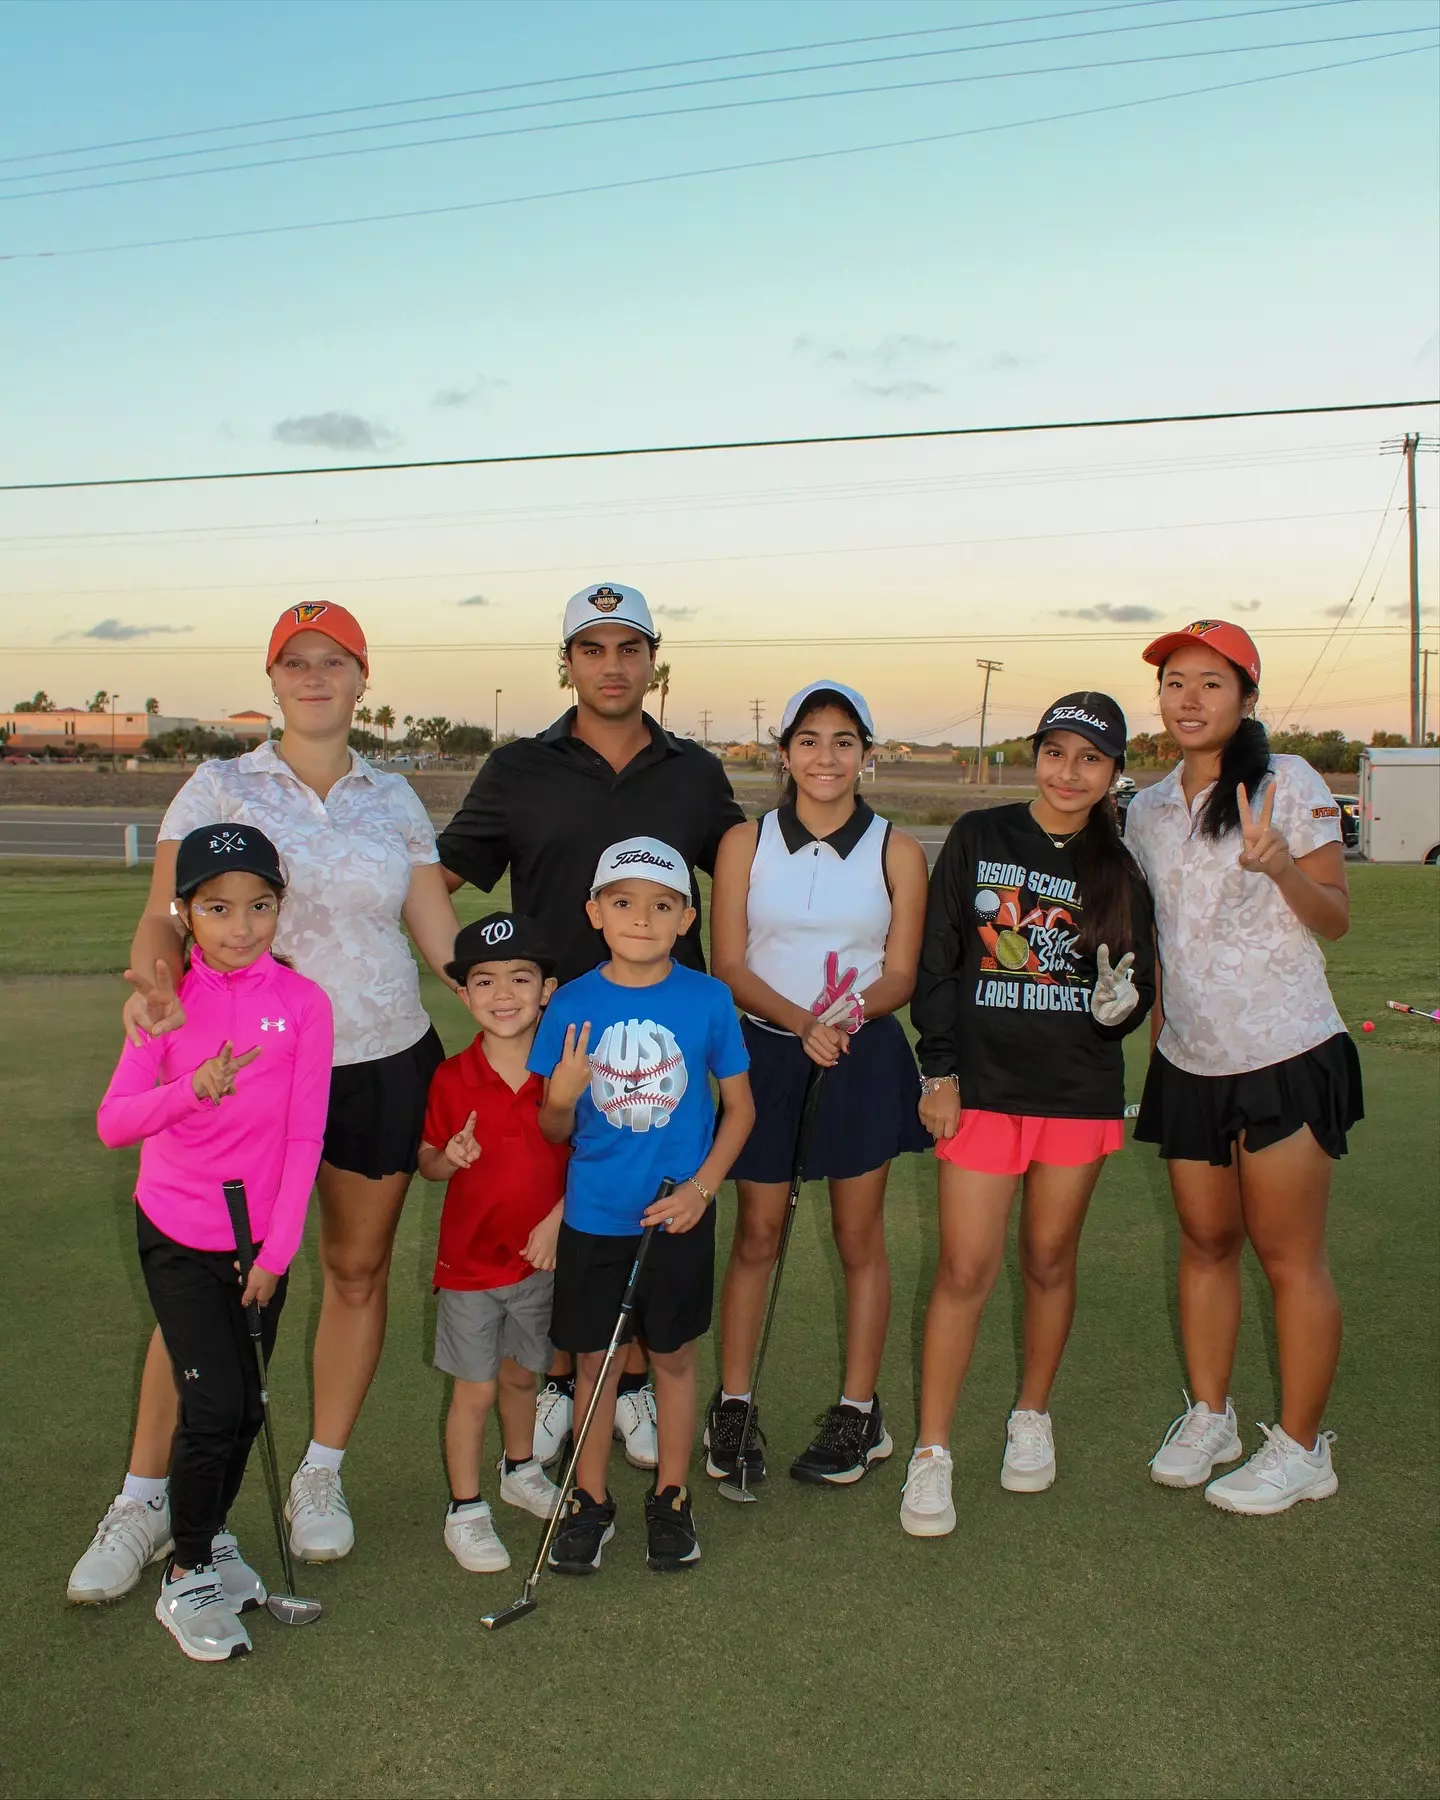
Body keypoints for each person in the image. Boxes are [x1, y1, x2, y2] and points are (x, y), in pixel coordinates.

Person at [68, 603, 461, 1602]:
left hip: (379, 1055)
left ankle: (320, 1474)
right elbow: (160, 919)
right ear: (274, 677)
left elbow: (438, 934)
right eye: (296, 660)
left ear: (363, 676)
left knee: (356, 1270)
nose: (315, 675)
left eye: (335, 660)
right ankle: (145, 1497)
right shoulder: (218, 785)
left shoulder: (393, 797)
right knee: (202, 1291)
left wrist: (516, 999)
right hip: (241, 1067)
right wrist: (155, 992)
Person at [438, 582, 745, 1470]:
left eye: (629, 649)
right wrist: (462, 977)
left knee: (644, 1210)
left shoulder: (695, 773)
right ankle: (567, 1383)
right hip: (558, 1047)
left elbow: (742, 872)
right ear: (566, 662)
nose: (612, 667)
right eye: (592, 649)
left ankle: (634, 1385)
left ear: (654, 662)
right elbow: (437, 875)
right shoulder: (517, 770)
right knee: (568, 1229)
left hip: (662, 1048)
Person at [902, 693, 1155, 1538]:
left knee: (1048, 1259)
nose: (1069, 772)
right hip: (981, 1090)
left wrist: (1121, 1007)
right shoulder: (980, 835)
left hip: (1075, 1094)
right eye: (1056, 752)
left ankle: (1031, 1415)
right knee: (964, 1268)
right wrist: (938, 1070)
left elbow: (1136, 980)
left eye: (1091, 758)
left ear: (1113, 773)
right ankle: (932, 1451)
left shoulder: (1121, 868)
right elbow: (939, 958)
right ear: (1035, 756)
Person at [1125, 620, 1359, 1514]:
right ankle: (1210, 1415)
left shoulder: (1286, 781)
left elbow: (1335, 917)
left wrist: (1281, 869)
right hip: (1188, 1059)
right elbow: (1160, 940)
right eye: (1175, 683)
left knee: (1289, 1256)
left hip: (1283, 1050)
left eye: (1211, 683)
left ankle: (1302, 1449)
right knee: (1206, 1243)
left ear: (1248, 697)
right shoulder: (1146, 809)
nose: (1189, 700)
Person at [95, 825, 333, 1660]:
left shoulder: (305, 1004)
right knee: (214, 1408)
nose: (242, 926)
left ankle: (209, 1532)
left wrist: (278, 1253)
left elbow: (305, 1137)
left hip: (259, 1242)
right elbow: (115, 1123)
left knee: (247, 1408)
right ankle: (186, 1570)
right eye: (219, 908)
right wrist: (190, 1090)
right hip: (178, 1231)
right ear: (185, 913)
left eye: (260, 906)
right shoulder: (164, 1006)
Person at [707, 681, 929, 1488]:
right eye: (809, 740)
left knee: (858, 1237)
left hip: (859, 1056)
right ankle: (733, 1405)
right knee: (757, 1234)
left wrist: (845, 1016)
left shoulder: (897, 850)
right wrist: (803, 1021)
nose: (826, 757)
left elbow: (900, 972)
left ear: (866, 754)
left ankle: (859, 1412)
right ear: (785, 752)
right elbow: (729, 964)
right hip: (767, 1053)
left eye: (843, 741)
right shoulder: (746, 843)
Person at [528, 837, 755, 1574]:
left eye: (662, 906)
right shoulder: (572, 1002)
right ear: (595, 912)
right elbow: (552, 1127)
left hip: (678, 1215)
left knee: (674, 1357)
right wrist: (560, 1099)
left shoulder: (708, 999)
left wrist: (701, 1189)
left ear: (686, 919)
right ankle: (590, 1498)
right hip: (596, 1214)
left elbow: (741, 1111)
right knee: (593, 1362)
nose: (642, 919)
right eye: (623, 902)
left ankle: (672, 1495)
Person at [417, 913, 567, 1574]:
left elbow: (590, 1158)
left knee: (523, 1375)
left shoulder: (564, 1074)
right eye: (484, 981)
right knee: (474, 1390)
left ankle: (519, 1468)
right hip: (470, 1266)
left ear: (547, 989)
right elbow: (427, 1161)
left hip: (538, 1262)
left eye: (520, 978)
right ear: (463, 994)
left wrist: (558, 1219)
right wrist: (448, 1157)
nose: (503, 994)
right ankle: (465, 1508)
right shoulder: (452, 1077)